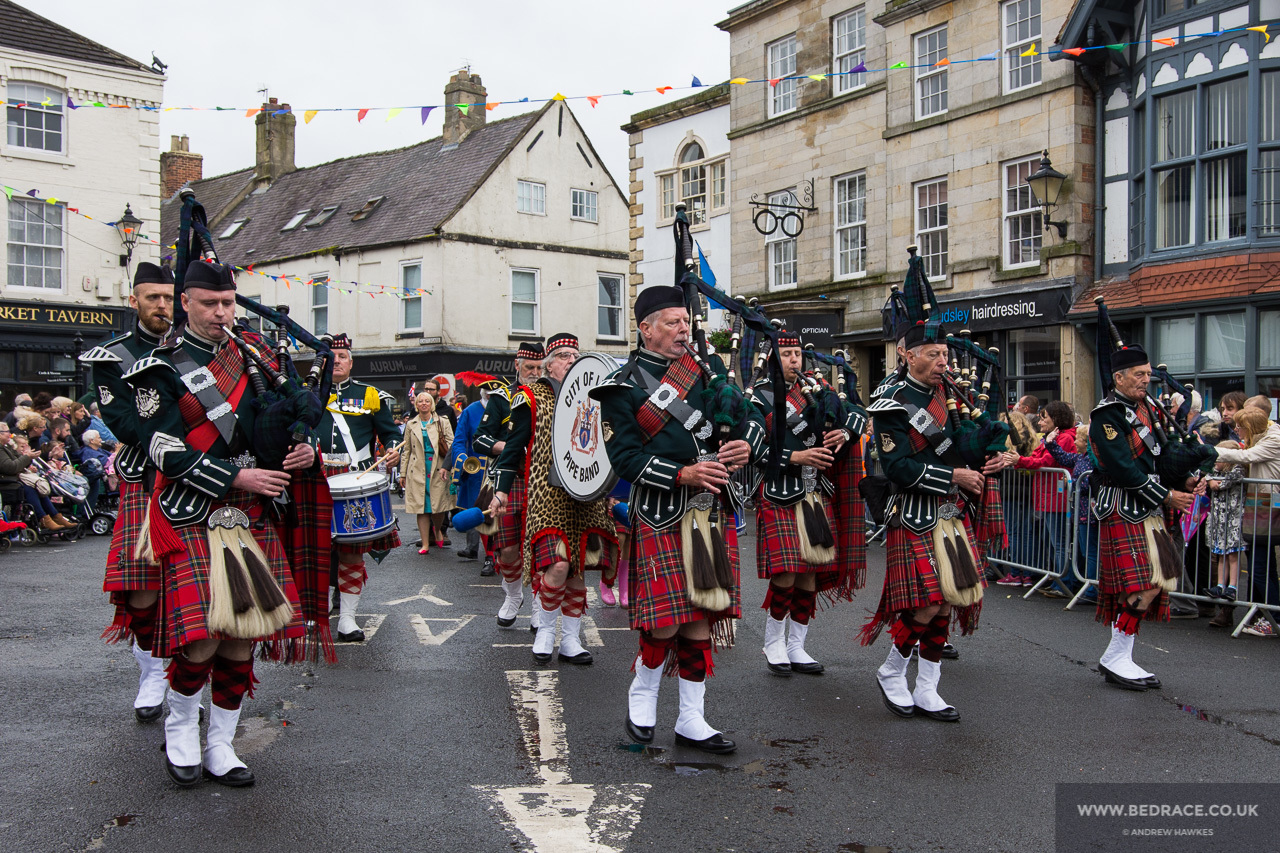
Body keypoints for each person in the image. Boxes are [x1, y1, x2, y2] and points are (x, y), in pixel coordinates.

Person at [127, 259, 320, 786]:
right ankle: (183, 725)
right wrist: (237, 480)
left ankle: (221, 743)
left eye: (228, 303)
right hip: (193, 509)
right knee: (205, 636)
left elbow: (288, 417)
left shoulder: (256, 357)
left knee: (243, 635)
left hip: (253, 511)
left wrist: (304, 448)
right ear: (184, 301)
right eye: (210, 304)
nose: (220, 313)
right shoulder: (157, 367)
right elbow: (162, 448)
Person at [591, 286, 767, 754]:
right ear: (645, 329)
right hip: (663, 511)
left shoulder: (705, 373)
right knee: (666, 621)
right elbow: (625, 458)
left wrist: (746, 443)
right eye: (671, 322)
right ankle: (643, 694)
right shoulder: (622, 386)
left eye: (685, 321)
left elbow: (751, 418)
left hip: (710, 513)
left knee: (700, 619)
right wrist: (683, 473)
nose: (682, 329)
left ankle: (692, 717)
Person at [863, 318, 1010, 722]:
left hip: (953, 512)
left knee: (948, 600)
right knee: (926, 603)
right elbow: (896, 466)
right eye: (933, 354)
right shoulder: (892, 401)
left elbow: (964, 446)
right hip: (914, 513)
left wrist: (995, 455)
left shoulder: (950, 394)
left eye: (945, 354)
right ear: (908, 355)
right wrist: (954, 476)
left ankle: (927, 686)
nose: (943, 361)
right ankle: (892, 671)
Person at [79, 261, 177, 721]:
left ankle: (182, 674)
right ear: (133, 300)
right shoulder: (112, 358)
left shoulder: (198, 347)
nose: (162, 305)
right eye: (152, 297)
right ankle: (152, 668)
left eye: (168, 296)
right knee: (140, 589)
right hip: (146, 480)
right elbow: (123, 423)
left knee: (193, 588)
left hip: (200, 480)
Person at [1088, 341, 1208, 690]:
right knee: (1144, 584)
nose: (1146, 379)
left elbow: (1158, 458)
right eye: (1139, 375)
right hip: (1124, 505)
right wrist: (1168, 495)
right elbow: (1123, 469)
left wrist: (1184, 478)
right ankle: (1115, 656)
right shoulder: (1107, 415)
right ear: (1119, 377)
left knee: (1155, 580)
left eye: (1148, 373)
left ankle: (1120, 655)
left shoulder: (1147, 409)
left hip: (1148, 507)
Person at [492, 332, 618, 666]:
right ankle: (546, 630)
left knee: (578, 571)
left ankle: (572, 639)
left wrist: (609, 490)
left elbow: (607, 445)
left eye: (574, 355)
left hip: (587, 495)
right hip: (546, 496)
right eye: (563, 356)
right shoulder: (531, 396)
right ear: (549, 364)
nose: (570, 361)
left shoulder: (595, 396)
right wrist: (502, 489)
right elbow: (514, 446)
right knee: (558, 564)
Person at [750, 329, 866, 676]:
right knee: (787, 571)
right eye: (786, 355)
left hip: (816, 493)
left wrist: (845, 432)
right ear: (774, 358)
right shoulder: (760, 396)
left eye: (797, 354)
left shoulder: (820, 391)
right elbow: (755, 451)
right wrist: (796, 455)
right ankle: (773, 642)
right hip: (781, 492)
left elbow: (859, 413)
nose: (794, 360)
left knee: (811, 573)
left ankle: (797, 645)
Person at [314, 333, 403, 643]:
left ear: (351, 362)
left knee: (352, 552)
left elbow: (391, 434)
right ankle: (321, 609)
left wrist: (394, 450)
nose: (336, 361)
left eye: (342, 357)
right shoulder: (308, 392)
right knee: (318, 550)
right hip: (317, 476)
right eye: (330, 357)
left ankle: (348, 618)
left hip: (355, 477)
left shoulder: (370, 395)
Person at [474, 341, 545, 626]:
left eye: (540, 367)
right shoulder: (502, 397)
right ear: (517, 365)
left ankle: (541, 604)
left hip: (543, 481)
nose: (535, 372)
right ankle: (514, 594)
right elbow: (480, 439)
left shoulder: (554, 395)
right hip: (510, 478)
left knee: (544, 548)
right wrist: (507, 446)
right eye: (529, 367)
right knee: (507, 549)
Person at [1212, 408, 1280, 636]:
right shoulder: (1265, 437)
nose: (1236, 430)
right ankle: (1270, 617)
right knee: (1263, 567)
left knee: (1259, 568)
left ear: (1249, 427)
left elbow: (1245, 457)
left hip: (1267, 508)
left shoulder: (1273, 440)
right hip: (1261, 507)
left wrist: (1210, 450)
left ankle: (1275, 618)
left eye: (1240, 427)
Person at [1012, 401, 1077, 595]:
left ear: (1056, 419)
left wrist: (1019, 461)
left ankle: (1064, 583)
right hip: (1048, 496)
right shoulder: (1053, 436)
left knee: (1059, 544)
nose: (1041, 421)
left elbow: (1045, 461)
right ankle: (1059, 579)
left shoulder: (1064, 438)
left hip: (1056, 497)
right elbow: (1039, 455)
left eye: (1045, 417)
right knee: (1054, 542)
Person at [450, 377, 504, 565]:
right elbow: (458, 441)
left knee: (497, 513)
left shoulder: (507, 408)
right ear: (486, 394)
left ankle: (494, 556)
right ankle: (487, 555)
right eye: (492, 395)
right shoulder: (470, 411)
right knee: (480, 513)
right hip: (476, 473)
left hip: (500, 469)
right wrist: (463, 460)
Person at [400, 391, 455, 555]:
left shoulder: (442, 421)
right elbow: (407, 451)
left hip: (439, 468)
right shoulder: (411, 424)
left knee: (438, 507)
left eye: (427, 401)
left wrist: (450, 466)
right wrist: (402, 474)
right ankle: (425, 543)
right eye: (420, 401)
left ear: (432, 404)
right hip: (417, 470)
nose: (423, 404)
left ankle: (437, 530)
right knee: (421, 507)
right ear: (416, 405)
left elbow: (452, 445)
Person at [1204, 441, 1246, 605]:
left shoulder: (1238, 469)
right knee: (1221, 554)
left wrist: (1212, 480)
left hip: (1233, 518)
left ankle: (1233, 586)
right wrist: (1209, 478)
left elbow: (1225, 482)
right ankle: (1220, 585)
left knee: (1233, 554)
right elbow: (1206, 473)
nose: (1216, 463)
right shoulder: (1215, 471)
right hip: (1219, 519)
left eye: (1218, 459)